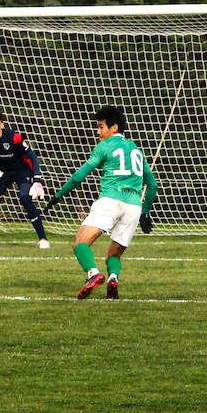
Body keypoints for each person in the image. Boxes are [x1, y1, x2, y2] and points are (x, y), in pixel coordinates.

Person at [44, 106, 158, 300]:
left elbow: (79, 176)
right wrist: (145, 212)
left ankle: (93, 274)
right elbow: (152, 184)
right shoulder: (136, 150)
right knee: (113, 255)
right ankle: (113, 278)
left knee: (80, 243)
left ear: (114, 127)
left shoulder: (104, 147)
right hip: (134, 207)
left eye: (101, 127)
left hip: (111, 200)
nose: (98, 132)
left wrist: (58, 195)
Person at [0, 111, 50, 250]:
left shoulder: (14, 137)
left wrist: (37, 179)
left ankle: (43, 239)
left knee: (25, 199)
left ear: (2, 125)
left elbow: (32, 157)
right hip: (3, 172)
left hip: (22, 172)